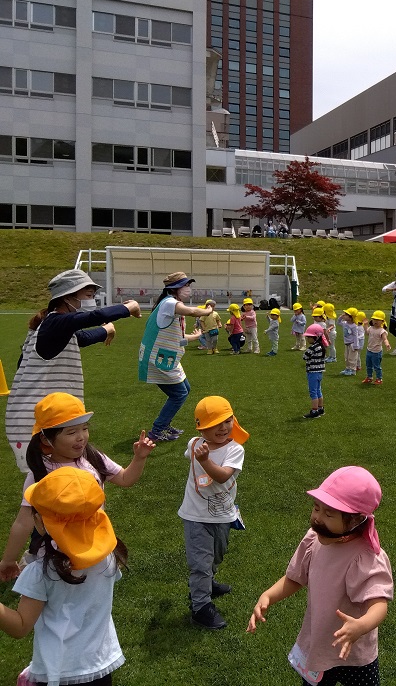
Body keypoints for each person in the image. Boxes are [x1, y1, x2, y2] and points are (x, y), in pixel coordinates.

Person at [247, 467, 393, 685]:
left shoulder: (365, 557)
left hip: (353, 651)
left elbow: (379, 604)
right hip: (318, 645)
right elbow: (295, 578)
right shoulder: (313, 539)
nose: (317, 518)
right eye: (316, 508)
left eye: (328, 514)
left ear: (355, 521)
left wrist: (360, 627)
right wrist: (268, 595)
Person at [0, 392, 154, 581]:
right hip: (57, 553)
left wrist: (139, 458)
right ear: (46, 439)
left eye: (84, 428)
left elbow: (124, 479)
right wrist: (8, 560)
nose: (81, 437)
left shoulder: (91, 457)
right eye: (71, 432)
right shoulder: (41, 473)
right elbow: (24, 522)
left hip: (93, 543)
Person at [0, 467, 128, 686]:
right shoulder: (108, 558)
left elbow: (20, 626)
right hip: (100, 665)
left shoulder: (41, 571)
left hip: (58, 671)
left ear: (40, 522)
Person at [6, 269, 141, 473]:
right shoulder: (55, 322)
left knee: (58, 472)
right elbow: (96, 316)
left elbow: (82, 338)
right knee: (46, 478)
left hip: (49, 417)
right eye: (88, 295)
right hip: (35, 420)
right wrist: (129, 307)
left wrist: (106, 330)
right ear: (68, 296)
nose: (92, 300)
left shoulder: (55, 326)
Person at [179, 396, 249, 630]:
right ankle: (200, 607)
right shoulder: (194, 445)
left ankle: (207, 582)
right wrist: (202, 456)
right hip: (195, 515)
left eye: (227, 420)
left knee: (217, 554)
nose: (222, 427)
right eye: (214, 424)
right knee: (200, 562)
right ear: (200, 428)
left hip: (223, 514)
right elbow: (193, 458)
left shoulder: (235, 450)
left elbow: (222, 475)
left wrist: (206, 460)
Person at [138, 272, 214, 443]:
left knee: (184, 390)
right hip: (159, 359)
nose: (189, 289)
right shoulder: (170, 303)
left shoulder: (169, 305)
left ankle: (163, 425)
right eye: (186, 285)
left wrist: (195, 336)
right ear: (175, 289)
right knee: (179, 394)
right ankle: (157, 430)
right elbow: (193, 311)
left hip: (166, 358)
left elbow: (177, 337)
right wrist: (208, 310)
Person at [301, 323, 329, 419]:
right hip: (319, 372)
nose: (308, 339)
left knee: (313, 392)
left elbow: (304, 357)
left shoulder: (312, 347)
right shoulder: (321, 347)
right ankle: (321, 409)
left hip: (312, 372)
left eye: (309, 337)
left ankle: (314, 411)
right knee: (318, 390)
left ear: (316, 337)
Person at [363, 311, 391, 384]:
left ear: (382, 321)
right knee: (368, 365)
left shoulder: (382, 331)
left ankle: (379, 378)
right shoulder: (371, 328)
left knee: (377, 366)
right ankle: (369, 377)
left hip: (376, 352)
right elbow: (367, 333)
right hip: (369, 350)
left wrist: (387, 344)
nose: (376, 321)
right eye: (374, 319)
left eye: (378, 320)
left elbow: (385, 338)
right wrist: (365, 325)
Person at [338, 308, 358, 374]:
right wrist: (340, 317)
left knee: (351, 358)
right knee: (346, 357)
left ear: (351, 317)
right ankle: (347, 368)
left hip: (352, 344)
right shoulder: (345, 323)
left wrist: (355, 345)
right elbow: (338, 323)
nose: (344, 315)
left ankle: (352, 370)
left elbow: (355, 336)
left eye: (346, 314)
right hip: (346, 343)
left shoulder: (354, 326)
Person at [352, 311, 367, 375]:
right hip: (358, 342)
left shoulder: (360, 327)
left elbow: (361, 335)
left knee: (357, 354)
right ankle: (357, 365)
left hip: (359, 343)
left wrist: (356, 338)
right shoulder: (358, 326)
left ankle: (358, 366)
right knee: (357, 354)